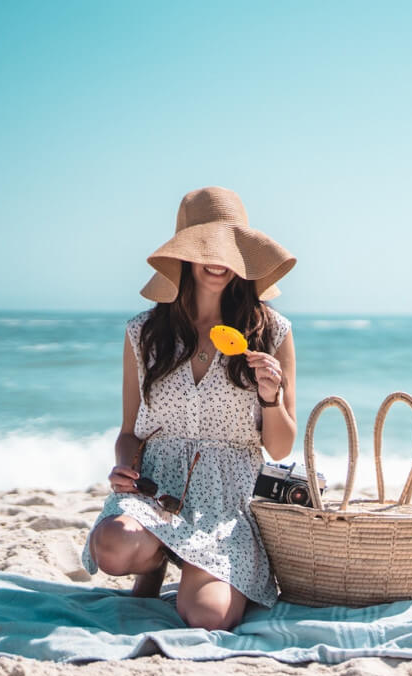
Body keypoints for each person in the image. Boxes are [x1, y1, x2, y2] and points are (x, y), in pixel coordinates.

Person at [80, 186, 298, 631]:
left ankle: (198, 571)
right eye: (205, 247)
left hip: (227, 500)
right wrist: (125, 467)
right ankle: (156, 558)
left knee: (207, 616)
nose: (217, 259)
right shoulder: (143, 332)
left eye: (228, 248)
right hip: (155, 492)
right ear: (185, 254)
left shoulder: (271, 331)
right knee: (112, 546)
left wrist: (270, 395)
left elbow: (280, 447)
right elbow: (129, 432)